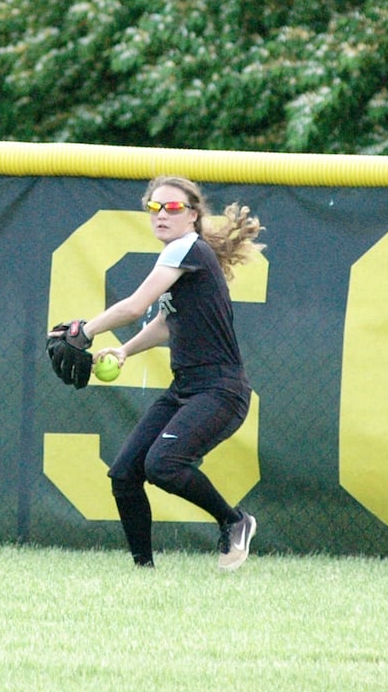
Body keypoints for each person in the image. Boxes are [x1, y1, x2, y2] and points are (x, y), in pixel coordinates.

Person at [51, 175, 264, 570]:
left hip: (221, 390)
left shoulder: (188, 249)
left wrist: (84, 330)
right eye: (154, 207)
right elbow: (167, 323)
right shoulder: (183, 255)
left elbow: (134, 306)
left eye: (173, 208)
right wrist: (126, 349)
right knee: (124, 475)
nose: (161, 214)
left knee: (164, 464)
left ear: (193, 215)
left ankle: (235, 521)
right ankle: (143, 571)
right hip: (187, 388)